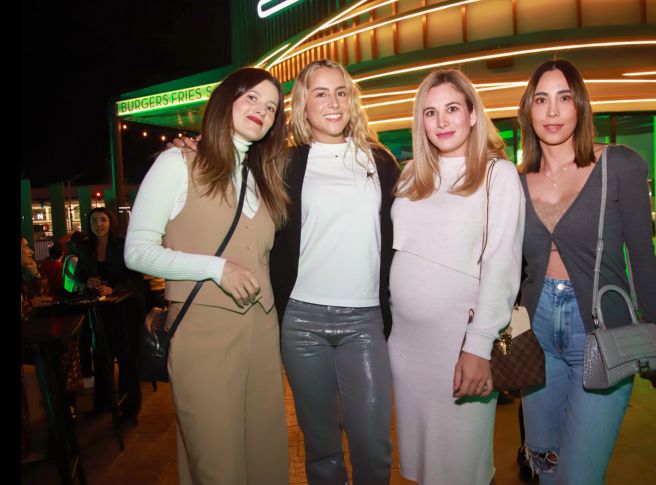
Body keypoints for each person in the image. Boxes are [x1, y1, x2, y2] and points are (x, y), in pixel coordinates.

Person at [124, 67, 290, 484]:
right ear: (225, 100)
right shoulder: (176, 162)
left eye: (271, 107)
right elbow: (137, 252)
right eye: (252, 97)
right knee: (217, 463)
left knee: (266, 457)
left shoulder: (262, 176)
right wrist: (214, 268)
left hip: (263, 332)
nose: (262, 110)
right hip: (203, 334)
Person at [517, 59, 656, 484]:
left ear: (580, 105)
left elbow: (642, 253)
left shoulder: (619, 165)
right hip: (536, 333)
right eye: (541, 100)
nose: (553, 111)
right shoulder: (517, 179)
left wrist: (650, 337)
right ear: (529, 111)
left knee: (578, 476)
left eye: (564, 98)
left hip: (599, 331)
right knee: (543, 464)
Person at [388, 68, 525, 485]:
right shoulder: (411, 175)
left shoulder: (496, 174)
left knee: (462, 469)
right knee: (421, 466)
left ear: (471, 115)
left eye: (451, 109)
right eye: (431, 112)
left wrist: (479, 345)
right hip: (406, 348)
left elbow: (502, 264)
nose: (442, 121)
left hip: (460, 344)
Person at [269, 59, 399, 485]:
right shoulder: (284, 164)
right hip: (302, 321)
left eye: (341, 92)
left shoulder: (378, 161)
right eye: (320, 93)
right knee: (321, 448)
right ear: (303, 106)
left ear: (352, 101)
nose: (332, 102)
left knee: (374, 445)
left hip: (364, 320)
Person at [79, 207, 147, 424]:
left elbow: (136, 278)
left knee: (126, 358)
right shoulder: (86, 247)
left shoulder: (123, 244)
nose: (98, 224)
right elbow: (80, 275)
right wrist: (87, 281)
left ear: (111, 222)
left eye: (103, 220)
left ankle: (130, 410)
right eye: (94, 221)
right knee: (102, 358)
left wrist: (114, 289)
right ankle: (103, 404)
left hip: (125, 309)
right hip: (101, 311)